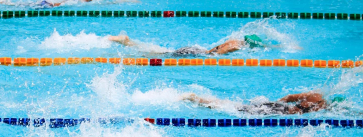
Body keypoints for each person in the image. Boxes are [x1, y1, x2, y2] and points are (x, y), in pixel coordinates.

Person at [182, 91, 346, 115]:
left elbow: (289, 97)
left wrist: (274, 103)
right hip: (278, 112)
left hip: (276, 107)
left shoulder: (315, 95)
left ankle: (199, 99)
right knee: (238, 110)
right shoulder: (320, 105)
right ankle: (197, 98)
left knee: (238, 107)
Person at [108, 34, 268, 56]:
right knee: (160, 55)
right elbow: (227, 48)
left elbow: (226, 45)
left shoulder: (235, 41)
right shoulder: (234, 45)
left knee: (162, 52)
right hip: (195, 53)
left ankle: (128, 42)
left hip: (195, 49)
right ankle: (127, 42)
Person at [0, 0, 91, 8]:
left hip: (45, 4)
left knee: (15, 5)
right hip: (46, 5)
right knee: (13, 6)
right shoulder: (78, 2)